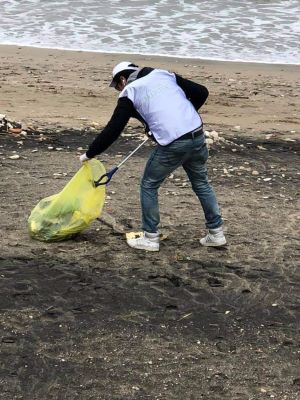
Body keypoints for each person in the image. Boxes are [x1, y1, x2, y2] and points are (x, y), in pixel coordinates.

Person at [79, 61, 226, 251]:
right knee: (201, 183)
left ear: (122, 79)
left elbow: (113, 129)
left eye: (116, 86)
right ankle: (216, 233)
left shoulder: (129, 92)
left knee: (149, 184)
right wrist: (182, 115)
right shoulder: (163, 75)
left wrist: (89, 153)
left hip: (173, 144)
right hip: (197, 136)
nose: (118, 90)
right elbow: (201, 92)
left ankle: (150, 237)